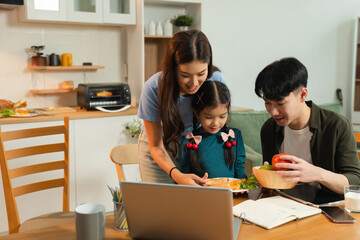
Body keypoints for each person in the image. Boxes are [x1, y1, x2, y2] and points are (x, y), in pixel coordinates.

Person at [254, 57, 360, 194]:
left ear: (302, 95)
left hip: (328, 206)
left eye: (280, 104)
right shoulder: (269, 128)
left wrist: (317, 174)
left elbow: (355, 181)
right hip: (285, 203)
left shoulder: (336, 126)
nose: (273, 112)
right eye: (267, 103)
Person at [137, 30, 226, 185]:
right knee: (163, 206)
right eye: (185, 75)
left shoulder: (215, 80)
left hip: (195, 146)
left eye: (201, 73)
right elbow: (156, 146)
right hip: (160, 149)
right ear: (173, 68)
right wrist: (177, 174)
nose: (193, 83)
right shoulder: (153, 88)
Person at [179, 81, 247, 179]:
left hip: (231, 192)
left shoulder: (235, 135)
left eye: (222, 116)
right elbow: (184, 176)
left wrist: (244, 185)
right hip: (203, 193)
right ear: (197, 113)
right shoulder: (189, 140)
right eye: (208, 117)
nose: (215, 123)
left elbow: (239, 168)